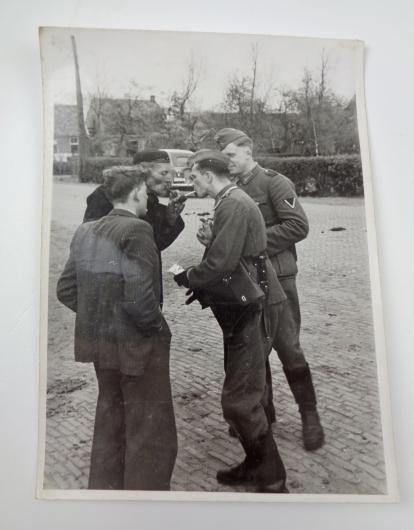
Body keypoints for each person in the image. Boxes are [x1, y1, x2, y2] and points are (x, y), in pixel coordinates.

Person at [174, 150, 288, 493]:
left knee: (239, 399)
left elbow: (221, 264)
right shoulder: (230, 201)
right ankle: (256, 464)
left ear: (209, 174)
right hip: (249, 302)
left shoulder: (233, 204)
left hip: (255, 305)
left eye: (194, 177)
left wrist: (188, 276)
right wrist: (213, 243)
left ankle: (273, 478)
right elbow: (231, 252)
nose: (191, 183)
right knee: (245, 391)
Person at [57, 166, 177, 490]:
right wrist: (158, 329)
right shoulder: (137, 230)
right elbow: (140, 299)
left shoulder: (86, 230)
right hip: (137, 347)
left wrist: (102, 320)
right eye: (146, 193)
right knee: (149, 432)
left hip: (101, 347)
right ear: (138, 192)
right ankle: (145, 505)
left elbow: (66, 290)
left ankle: (105, 493)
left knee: (110, 419)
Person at [214, 128, 324, 451]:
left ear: (249, 151)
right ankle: (265, 412)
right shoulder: (230, 189)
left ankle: (310, 417)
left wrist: (251, 242)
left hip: (279, 277)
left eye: (231, 155)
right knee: (253, 350)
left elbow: (298, 226)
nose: (227, 162)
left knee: (289, 348)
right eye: (223, 157)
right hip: (247, 282)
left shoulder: (274, 182)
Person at [83, 150, 186, 305]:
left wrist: (170, 218)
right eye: (164, 173)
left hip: (146, 291)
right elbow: (90, 245)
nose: (169, 179)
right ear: (142, 172)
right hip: (116, 296)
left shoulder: (150, 200)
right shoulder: (106, 195)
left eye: (171, 173)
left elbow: (155, 245)